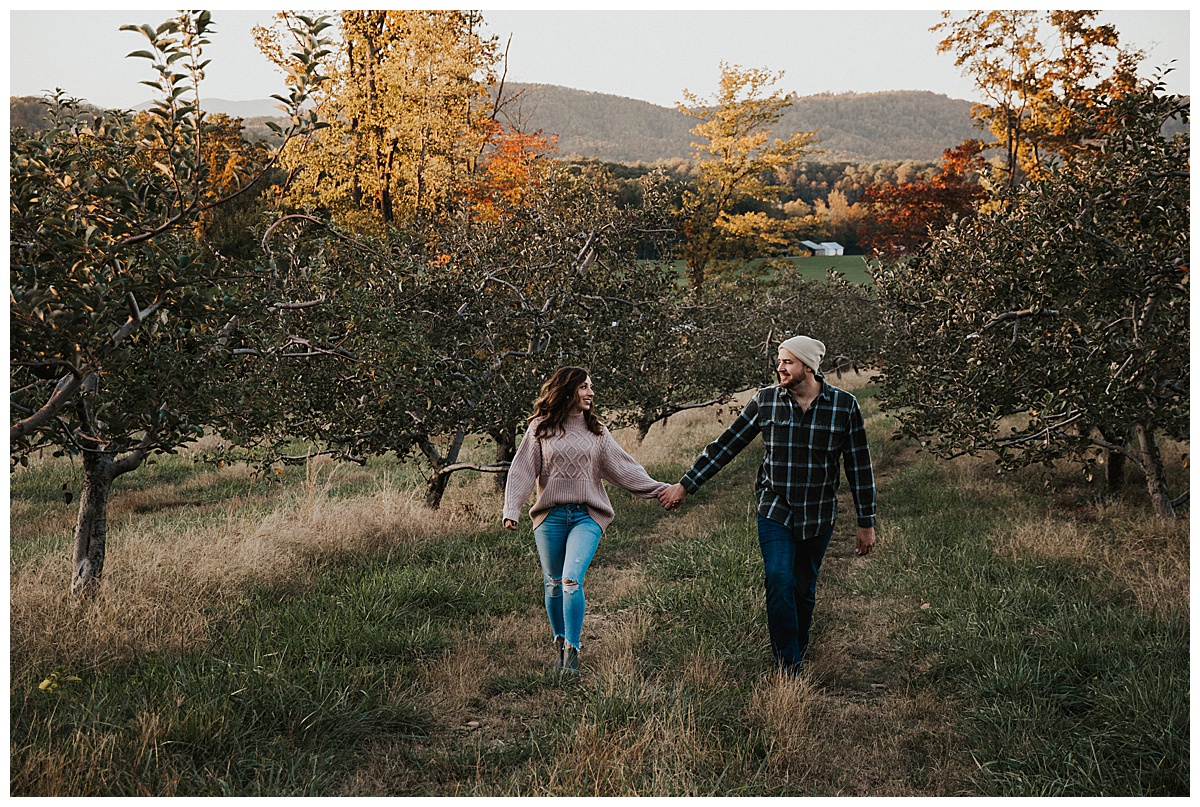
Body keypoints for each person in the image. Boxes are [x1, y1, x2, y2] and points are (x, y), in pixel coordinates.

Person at [657, 335, 876, 677]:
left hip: (818, 512)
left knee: (803, 589)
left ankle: (796, 650)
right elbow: (726, 445)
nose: (780, 367)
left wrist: (866, 521)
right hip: (775, 505)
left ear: (808, 366)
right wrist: (687, 484)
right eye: (779, 360)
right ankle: (787, 665)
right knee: (777, 577)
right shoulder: (766, 401)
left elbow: (859, 466)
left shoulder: (844, 406)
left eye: (788, 361)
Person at [504, 366, 669, 675]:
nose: (591, 393)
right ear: (567, 390)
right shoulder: (540, 428)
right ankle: (559, 641)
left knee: (570, 580)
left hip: (587, 515)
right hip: (551, 516)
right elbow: (524, 469)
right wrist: (511, 508)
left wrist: (660, 490)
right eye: (584, 387)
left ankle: (572, 651)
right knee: (553, 584)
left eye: (591, 387)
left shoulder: (597, 431)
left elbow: (624, 468)